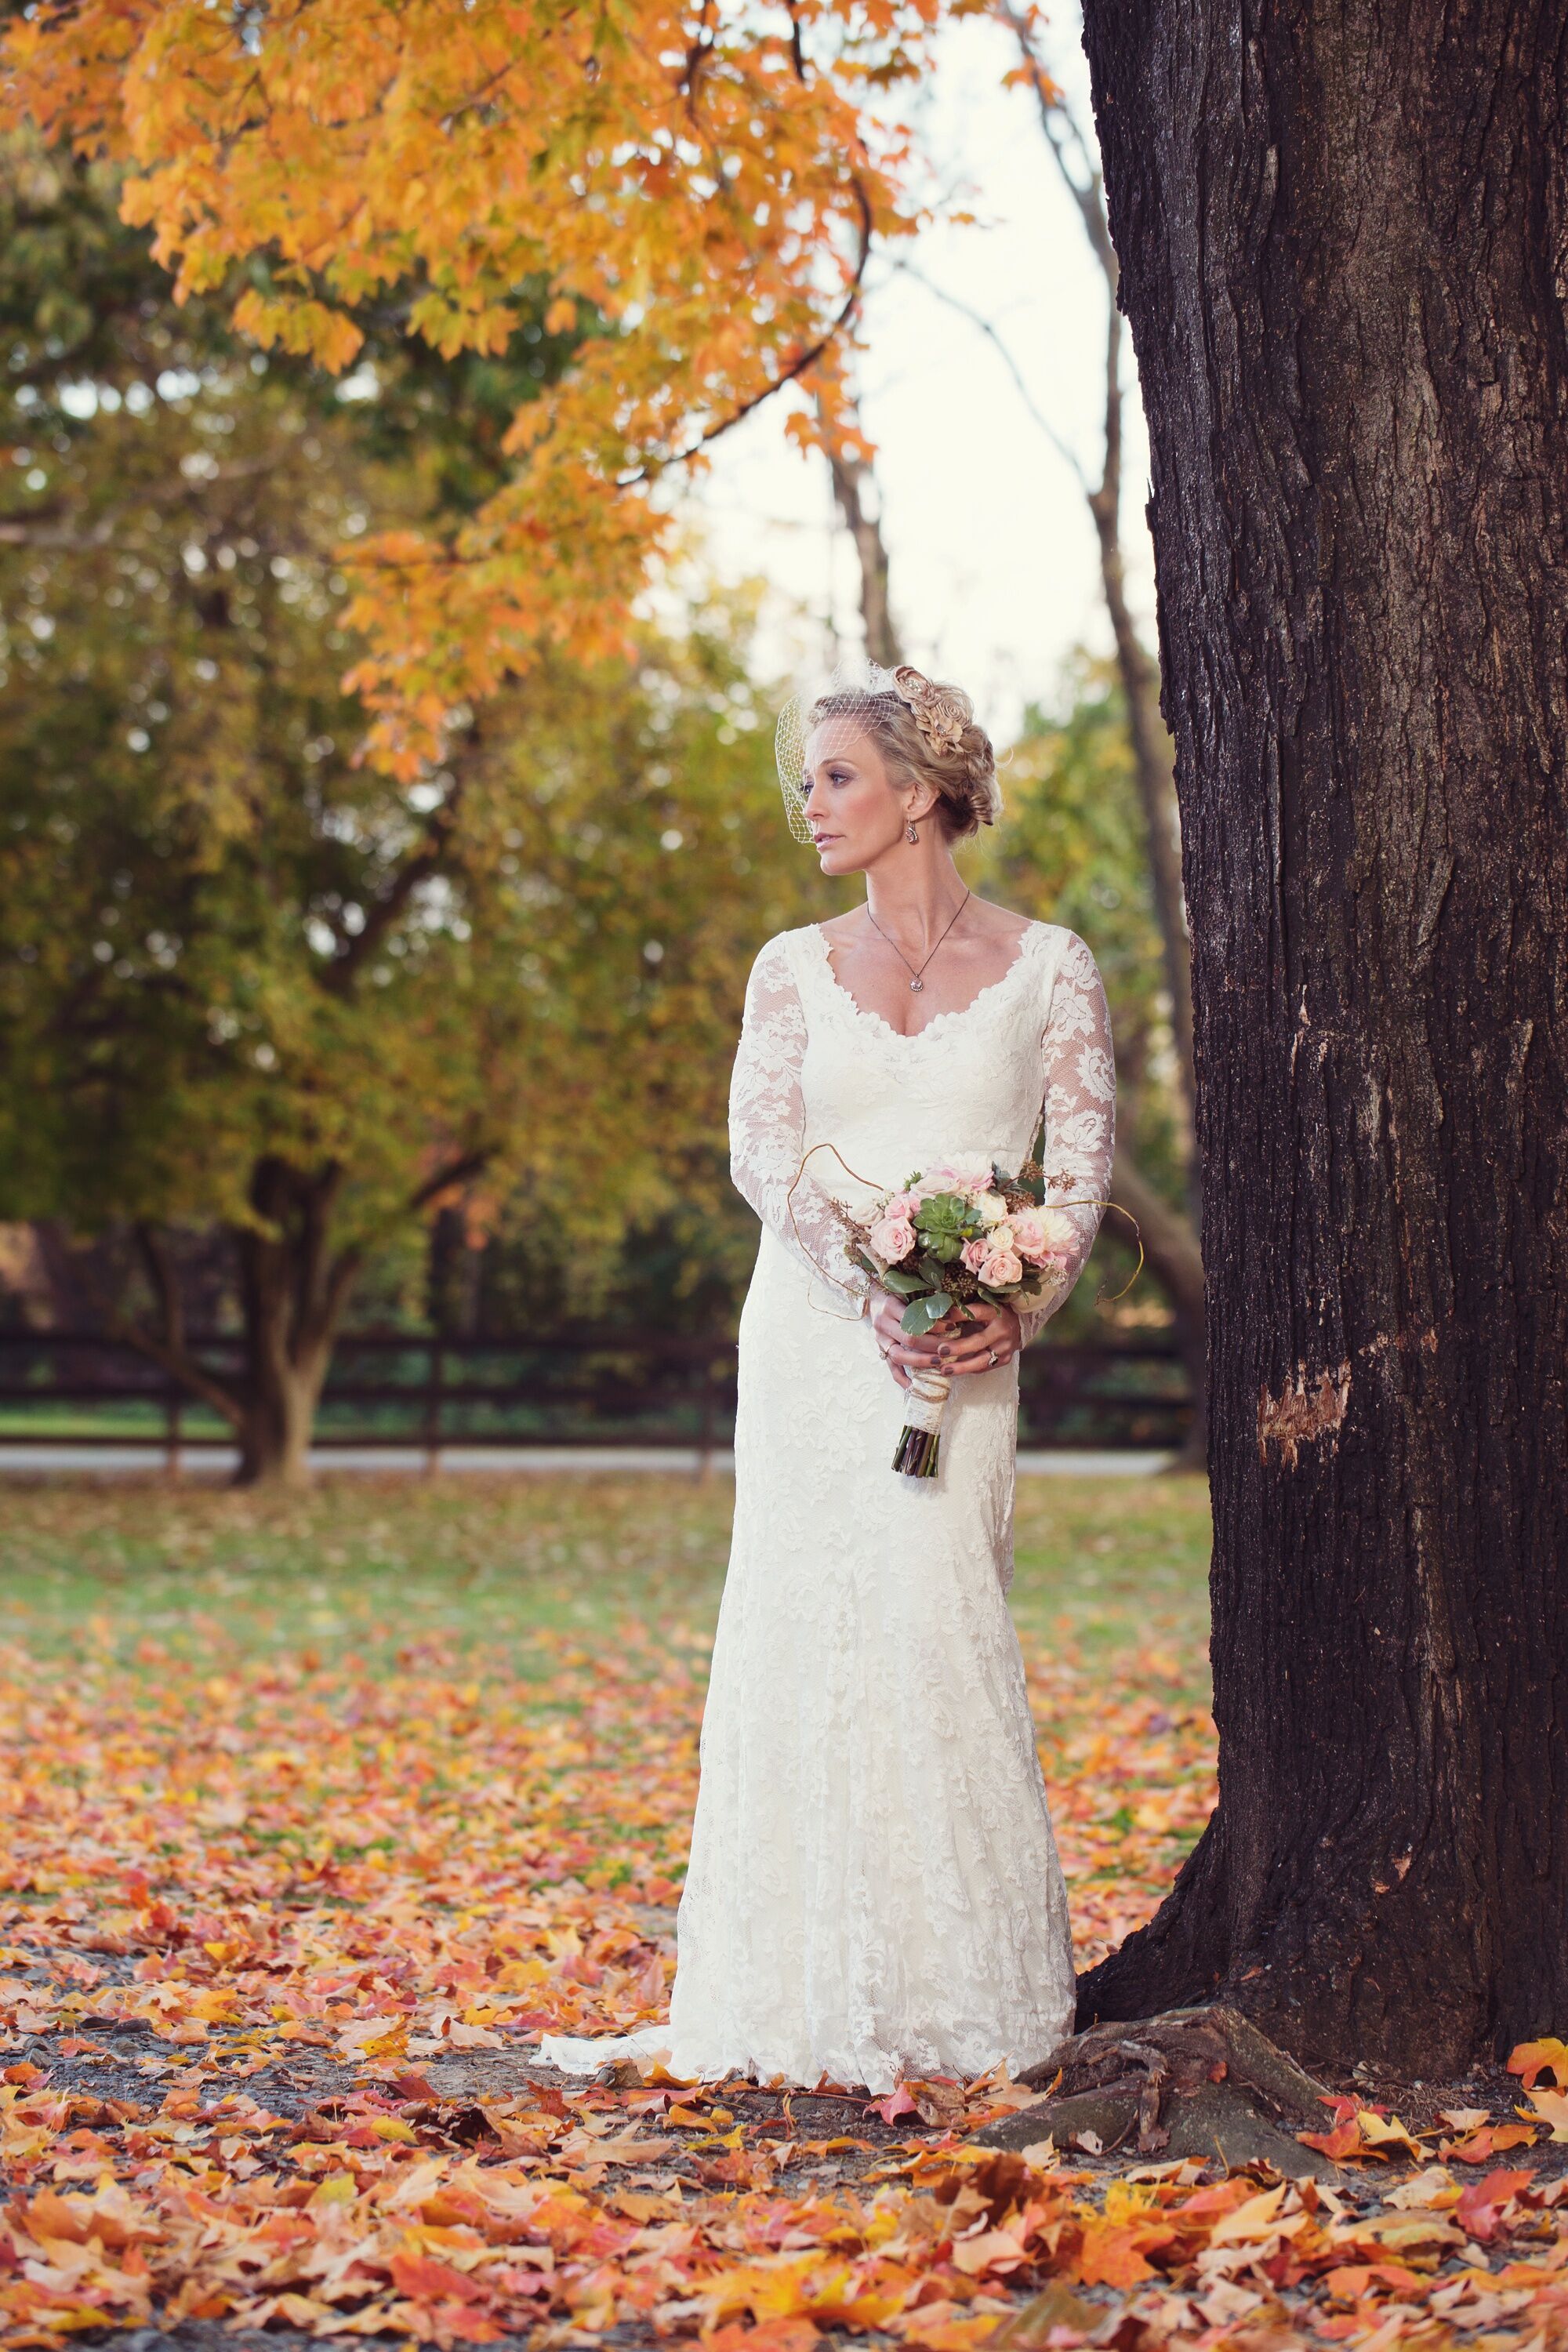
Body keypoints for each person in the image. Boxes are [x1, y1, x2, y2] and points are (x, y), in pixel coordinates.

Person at [543, 660, 1115, 2092]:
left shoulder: (1054, 967)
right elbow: (764, 1152)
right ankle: (789, 1992)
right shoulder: (791, 967)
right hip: (814, 1338)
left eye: (839, 776)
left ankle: (961, 1998)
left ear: (921, 792)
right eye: (808, 779)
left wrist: (1015, 1303)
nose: (813, 803)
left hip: (961, 1359)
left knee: (939, 1620)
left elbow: (1084, 1173)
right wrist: (878, 1284)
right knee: (803, 1626)